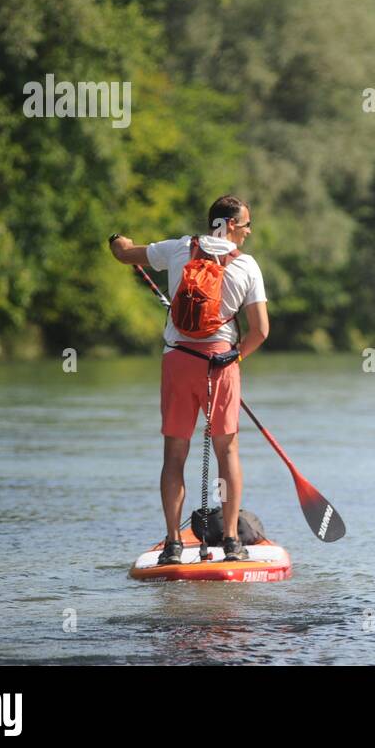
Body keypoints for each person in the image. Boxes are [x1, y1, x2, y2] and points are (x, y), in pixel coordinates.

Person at [109, 195, 270, 563]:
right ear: (229, 225)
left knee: (174, 453)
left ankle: (172, 545)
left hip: (178, 362)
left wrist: (118, 241)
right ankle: (231, 541)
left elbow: (124, 254)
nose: (248, 231)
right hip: (221, 364)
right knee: (227, 452)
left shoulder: (178, 248)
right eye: (245, 225)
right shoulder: (247, 266)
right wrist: (235, 356)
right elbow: (260, 330)